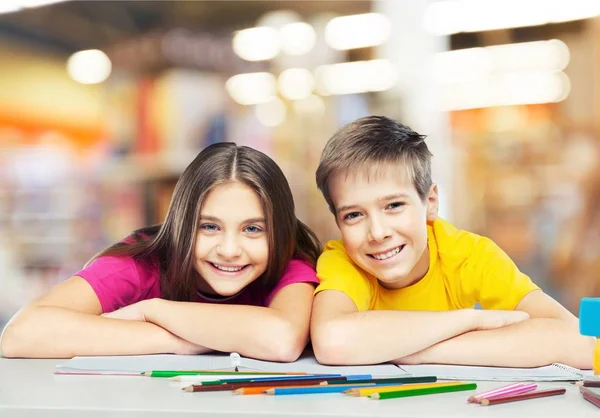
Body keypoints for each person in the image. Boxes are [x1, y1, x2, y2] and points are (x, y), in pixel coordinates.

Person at [310, 115, 594, 369]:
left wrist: (419, 350)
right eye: (354, 215)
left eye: (394, 205)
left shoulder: (468, 255)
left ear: (430, 202)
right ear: (338, 222)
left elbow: (579, 341)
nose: (377, 232)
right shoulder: (341, 260)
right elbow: (332, 340)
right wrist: (469, 321)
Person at [1, 143, 321, 361]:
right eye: (208, 227)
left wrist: (152, 311)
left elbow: (283, 339)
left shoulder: (289, 262)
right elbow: (21, 334)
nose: (229, 250)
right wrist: (180, 340)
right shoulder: (142, 263)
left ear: (278, 231)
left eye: (253, 229)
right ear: (181, 223)